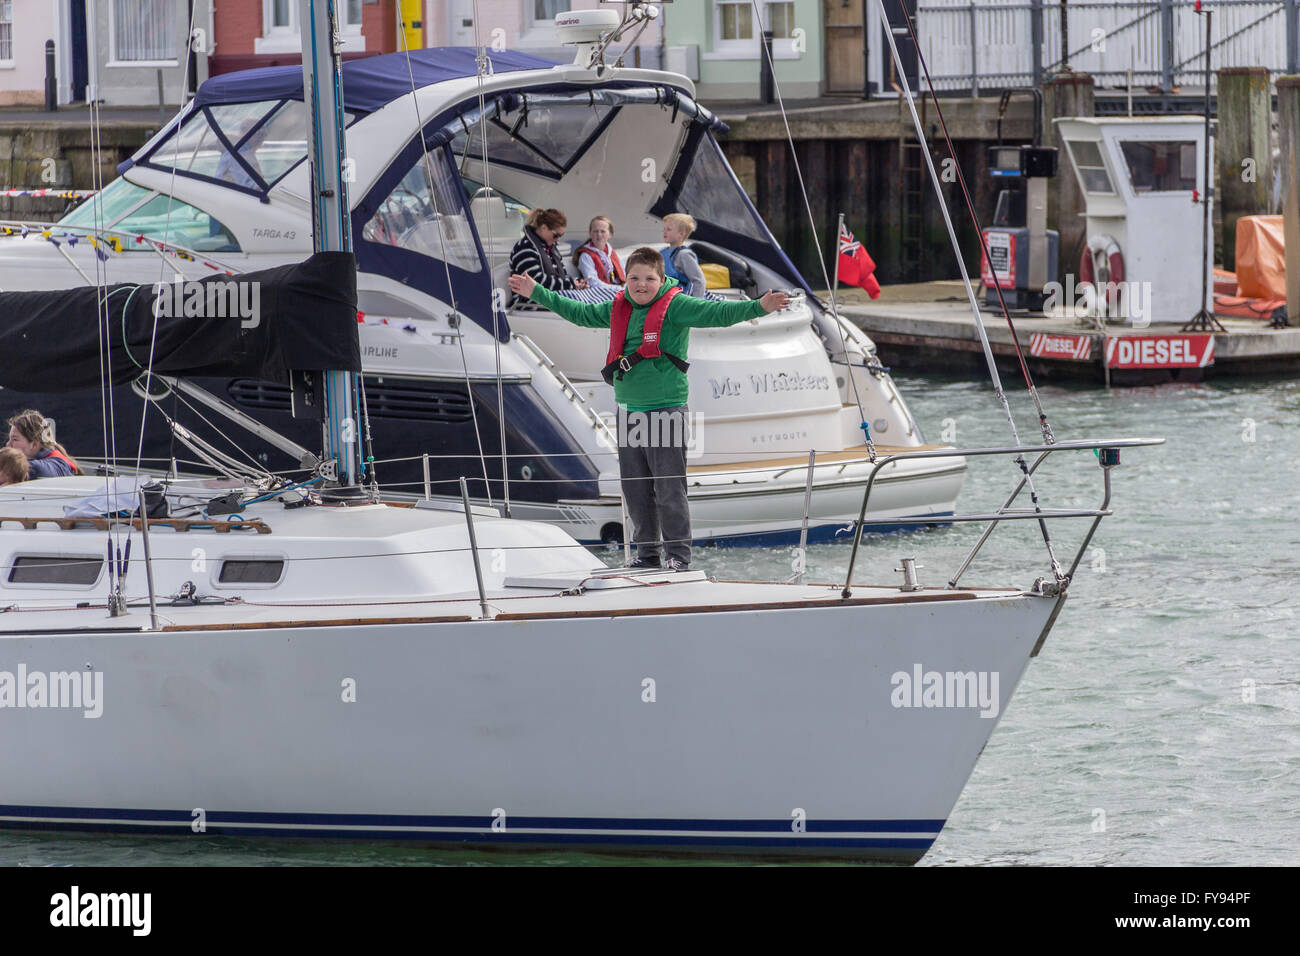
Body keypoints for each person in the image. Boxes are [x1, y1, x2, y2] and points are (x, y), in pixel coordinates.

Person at [509, 248, 789, 570]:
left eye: (649, 279)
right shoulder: (618, 307)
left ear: (662, 279)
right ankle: (647, 555)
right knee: (636, 490)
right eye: (634, 278)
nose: (641, 285)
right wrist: (538, 292)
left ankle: (679, 558)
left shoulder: (677, 306)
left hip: (666, 410)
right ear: (625, 280)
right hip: (628, 410)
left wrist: (760, 306)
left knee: (669, 489)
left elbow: (718, 315)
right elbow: (579, 313)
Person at [508, 208, 587, 307]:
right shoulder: (525, 248)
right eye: (556, 235)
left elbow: (562, 277)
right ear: (544, 228)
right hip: (529, 303)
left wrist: (577, 282)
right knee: (583, 305)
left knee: (592, 298)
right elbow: (535, 282)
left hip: (549, 296)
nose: (558, 239)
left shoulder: (549, 248)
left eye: (561, 235)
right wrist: (570, 284)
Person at [7, 410, 80, 478]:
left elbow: (37, 469)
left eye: (15, 439)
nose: (8, 444)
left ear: (34, 444)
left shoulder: (57, 465)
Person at [661, 213, 708, 298]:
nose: (664, 232)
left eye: (669, 229)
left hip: (681, 301)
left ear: (681, 234)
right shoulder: (662, 253)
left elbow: (699, 281)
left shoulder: (684, 255)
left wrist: (696, 304)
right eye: (664, 229)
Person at [572, 216, 625, 289]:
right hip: (601, 292)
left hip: (618, 288)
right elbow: (592, 282)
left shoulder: (611, 252)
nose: (599, 235)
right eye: (595, 231)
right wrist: (619, 289)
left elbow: (624, 273)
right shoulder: (586, 256)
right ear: (590, 233)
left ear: (610, 234)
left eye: (603, 231)